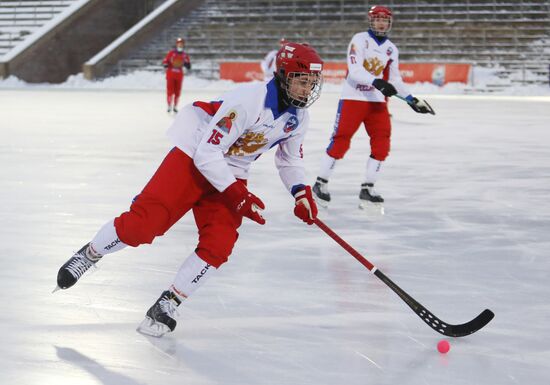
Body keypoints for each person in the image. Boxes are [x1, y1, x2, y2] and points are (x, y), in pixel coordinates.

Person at [56, 42, 323, 338]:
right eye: (302, 82)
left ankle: (167, 303)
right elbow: (207, 153)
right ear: (284, 76)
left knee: (220, 242)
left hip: (231, 170)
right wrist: (237, 195)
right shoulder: (249, 100)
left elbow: (290, 159)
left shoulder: (298, 118)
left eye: (311, 83)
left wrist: (301, 192)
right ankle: (90, 253)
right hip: (194, 154)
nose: (307, 90)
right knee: (144, 226)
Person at [312, 5, 434, 209]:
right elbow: (355, 69)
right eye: (377, 19)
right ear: (371, 21)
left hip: (377, 103)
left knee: (382, 143)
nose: (381, 22)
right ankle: (320, 183)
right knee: (341, 140)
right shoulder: (359, 40)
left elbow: (395, 79)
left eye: (384, 19)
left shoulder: (391, 49)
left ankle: (367, 188)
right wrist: (376, 81)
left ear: (389, 23)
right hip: (353, 98)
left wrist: (412, 100)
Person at [162, 37, 191, 113]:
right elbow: (166, 61)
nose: (180, 45)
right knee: (170, 91)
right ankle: (169, 105)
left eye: (181, 44)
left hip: (179, 75)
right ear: (177, 44)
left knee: (177, 92)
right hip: (171, 74)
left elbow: (188, 64)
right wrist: (166, 65)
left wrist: (186, 65)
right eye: (179, 43)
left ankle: (175, 106)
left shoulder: (184, 55)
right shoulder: (171, 53)